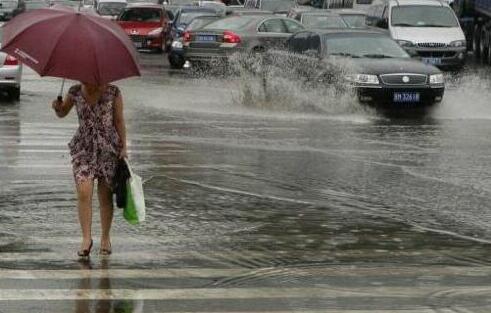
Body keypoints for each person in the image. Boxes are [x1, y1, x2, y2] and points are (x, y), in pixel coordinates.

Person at [51, 82, 127, 258]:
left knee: (105, 195)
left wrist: (124, 147)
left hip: (108, 148)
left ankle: (105, 238)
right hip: (83, 148)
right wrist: (57, 108)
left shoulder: (113, 92)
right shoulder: (75, 92)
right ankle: (86, 239)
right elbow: (63, 112)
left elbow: (119, 120)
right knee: (84, 192)